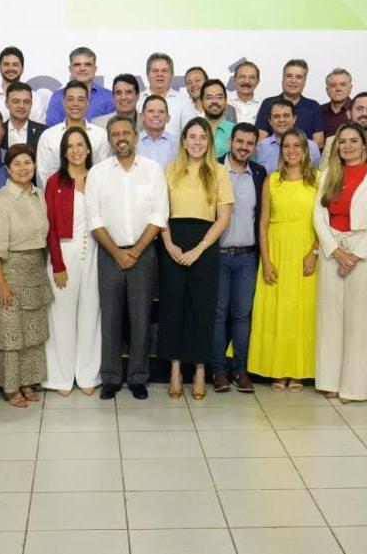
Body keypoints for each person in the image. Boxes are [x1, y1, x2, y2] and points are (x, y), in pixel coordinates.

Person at [87, 115, 169, 400]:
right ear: (109, 139)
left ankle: (137, 377)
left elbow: (159, 214)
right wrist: (117, 253)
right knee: (110, 318)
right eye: (115, 134)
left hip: (143, 254)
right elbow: (94, 219)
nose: (121, 138)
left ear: (135, 136)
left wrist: (134, 251)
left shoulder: (152, 170)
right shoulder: (98, 173)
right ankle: (110, 377)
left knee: (141, 317)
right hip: (108, 253)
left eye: (126, 133)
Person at [313, 123, 367, 402]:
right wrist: (335, 251)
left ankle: (355, 387)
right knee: (330, 318)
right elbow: (318, 215)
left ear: (364, 145)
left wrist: (355, 255)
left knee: (361, 320)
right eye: (342, 141)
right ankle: (330, 381)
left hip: (363, 252)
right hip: (332, 249)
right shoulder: (328, 174)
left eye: (353, 140)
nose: (347, 146)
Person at [160, 118, 234, 400]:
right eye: (192, 137)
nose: (197, 142)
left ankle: (200, 370)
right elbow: (160, 212)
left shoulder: (219, 172)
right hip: (173, 243)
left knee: (202, 309)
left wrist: (199, 248)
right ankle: (175, 369)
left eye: (203, 137)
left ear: (209, 142)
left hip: (205, 246)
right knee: (173, 308)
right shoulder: (170, 170)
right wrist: (169, 244)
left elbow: (223, 217)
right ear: (183, 141)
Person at [0, 143, 54, 407]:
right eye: (17, 164)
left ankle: (26, 380)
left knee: (30, 334)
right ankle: (10, 387)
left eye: (27, 163)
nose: (23, 168)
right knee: (9, 334)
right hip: (7, 273)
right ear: (8, 169)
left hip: (34, 272)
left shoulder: (39, 195)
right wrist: (1, 283)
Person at [248, 128, 321, 392]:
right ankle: (277, 370)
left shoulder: (318, 180)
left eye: (296, 146)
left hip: (306, 251)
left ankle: (298, 371)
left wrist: (314, 252)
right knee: (276, 311)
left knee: (301, 312)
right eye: (286, 146)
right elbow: (263, 223)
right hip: (277, 250)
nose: (291, 151)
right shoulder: (272, 180)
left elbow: (324, 221)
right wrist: (266, 260)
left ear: (305, 150)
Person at [45, 128, 102, 395]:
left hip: (95, 252)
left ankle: (88, 375)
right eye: (70, 146)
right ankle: (60, 377)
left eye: (80, 145)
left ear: (88, 149)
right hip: (64, 253)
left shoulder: (99, 178)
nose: (76, 150)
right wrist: (57, 265)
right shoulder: (55, 181)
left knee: (91, 315)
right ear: (64, 152)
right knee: (61, 318)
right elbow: (50, 227)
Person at [211, 124, 266, 393]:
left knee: (243, 315)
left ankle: (241, 371)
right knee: (219, 315)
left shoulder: (259, 173)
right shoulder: (214, 169)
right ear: (231, 141)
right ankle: (219, 371)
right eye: (240, 141)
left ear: (254, 147)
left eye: (249, 143)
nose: (244, 147)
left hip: (246, 256)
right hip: (218, 255)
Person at [36, 80, 111, 186]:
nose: (75, 104)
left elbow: (105, 172)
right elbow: (43, 175)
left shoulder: (101, 135)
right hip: (57, 194)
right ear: (63, 102)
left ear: (88, 103)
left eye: (81, 100)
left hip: (93, 193)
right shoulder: (48, 136)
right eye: (70, 99)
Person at [255, 59, 323, 146]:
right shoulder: (268, 104)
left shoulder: (313, 106)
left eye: (298, 77)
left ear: (304, 82)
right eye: (289, 76)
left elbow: (318, 143)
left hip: (305, 154)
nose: (293, 80)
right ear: (282, 79)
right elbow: (261, 142)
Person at [319, 92, 367, 170]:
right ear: (349, 114)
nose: (364, 113)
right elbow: (323, 174)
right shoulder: (331, 142)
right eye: (359, 109)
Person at [44, 47, 114, 126]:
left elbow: (113, 128)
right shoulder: (58, 96)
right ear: (70, 69)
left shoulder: (109, 97)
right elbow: (52, 129)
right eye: (77, 65)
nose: (82, 68)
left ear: (95, 69)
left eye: (87, 65)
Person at [254, 100, 321, 173]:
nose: (282, 120)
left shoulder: (311, 147)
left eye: (286, 116)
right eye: (276, 116)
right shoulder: (259, 148)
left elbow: (315, 175)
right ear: (270, 121)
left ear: (294, 119)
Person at [141, 52, 190, 137]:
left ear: (172, 75)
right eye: (155, 71)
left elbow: (190, 134)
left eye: (164, 71)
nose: (160, 74)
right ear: (147, 75)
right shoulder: (137, 100)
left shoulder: (184, 102)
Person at [2, 81, 46, 151]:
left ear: (31, 104)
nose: (21, 106)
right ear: (6, 103)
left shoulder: (44, 132)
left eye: (26, 102)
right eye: (16, 101)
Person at [317, 67, 354, 147]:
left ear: (350, 88)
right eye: (333, 85)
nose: (338, 89)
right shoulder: (318, 111)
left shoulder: (358, 111)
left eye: (343, 85)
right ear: (327, 90)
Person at [199, 79, 236, 158]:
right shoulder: (192, 130)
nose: (214, 101)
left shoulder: (236, 131)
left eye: (219, 97)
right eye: (209, 97)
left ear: (226, 101)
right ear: (201, 102)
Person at [136, 95, 176, 168]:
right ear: (142, 116)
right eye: (151, 111)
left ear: (168, 118)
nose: (156, 115)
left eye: (161, 111)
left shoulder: (177, 143)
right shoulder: (133, 143)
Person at [229, 61, 264, 125]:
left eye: (252, 78)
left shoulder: (263, 106)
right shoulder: (225, 102)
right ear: (234, 79)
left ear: (257, 82)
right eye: (242, 77)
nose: (247, 81)